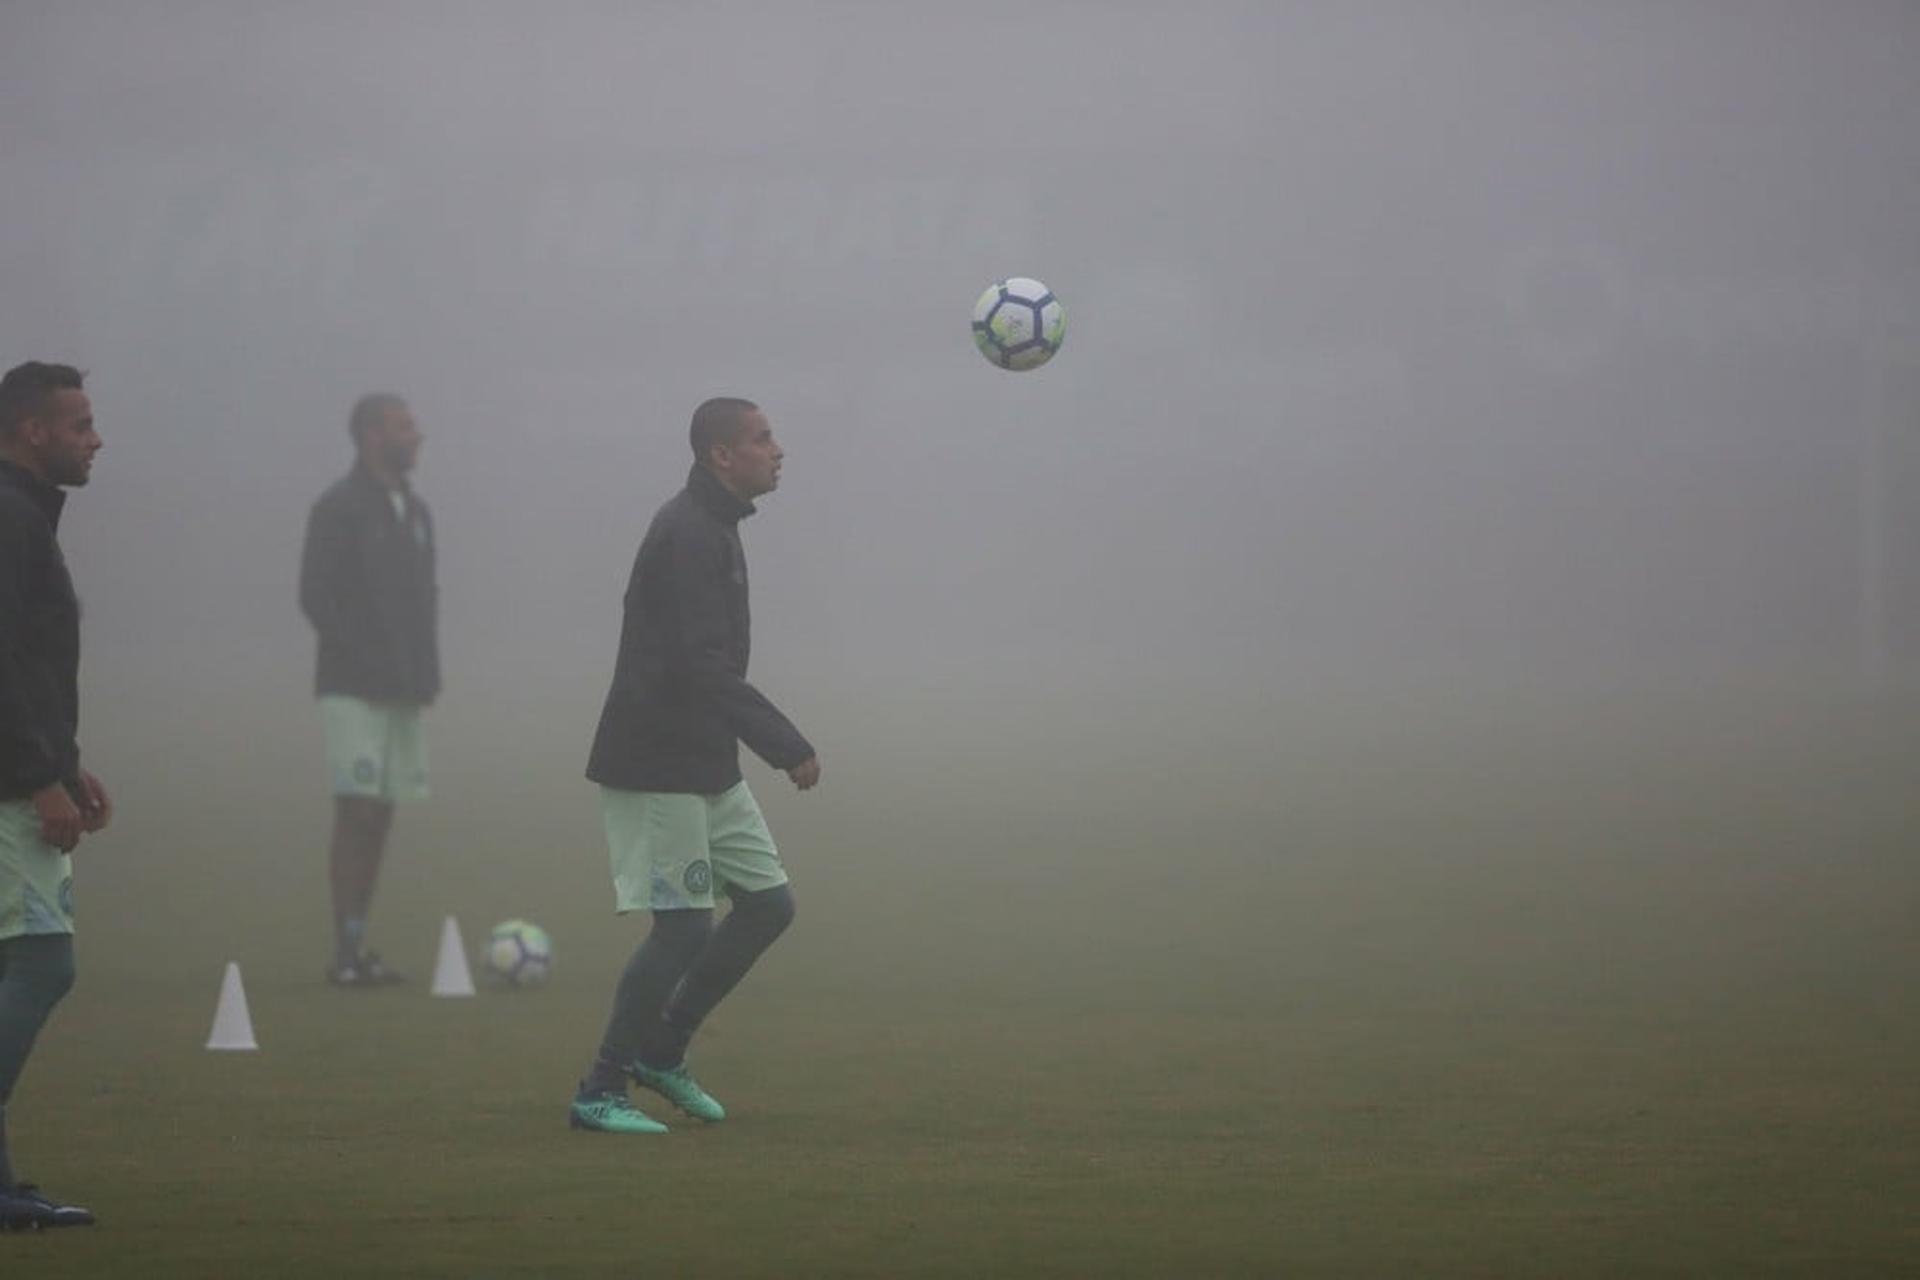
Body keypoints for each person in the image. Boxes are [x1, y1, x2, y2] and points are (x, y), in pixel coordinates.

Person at [570, 397, 819, 1135]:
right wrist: (785, 743)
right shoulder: (686, 533)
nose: (778, 450)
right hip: (657, 761)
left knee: (769, 906)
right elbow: (699, 665)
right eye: (762, 438)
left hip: (704, 758)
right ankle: (599, 1089)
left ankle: (662, 1051)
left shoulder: (715, 525)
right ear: (721, 455)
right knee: (680, 930)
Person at [0, 361, 107, 1229]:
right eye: (80, 425)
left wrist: (65, 762)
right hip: (6, 787)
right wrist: (38, 776)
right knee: (43, 962)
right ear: (33, 432)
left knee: (8, 964)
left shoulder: (24, 514)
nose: (96, 439)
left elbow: (28, 663)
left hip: (28, 770)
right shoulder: (8, 517)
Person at [299, 393, 438, 986]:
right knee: (354, 810)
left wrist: (425, 672)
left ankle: (358, 945)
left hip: (404, 692)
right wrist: (370, 660)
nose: (418, 435)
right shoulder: (338, 507)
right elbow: (316, 597)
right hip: (352, 689)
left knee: (381, 813)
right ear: (369, 436)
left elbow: (424, 601)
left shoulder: (416, 509)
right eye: (405, 426)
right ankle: (345, 952)